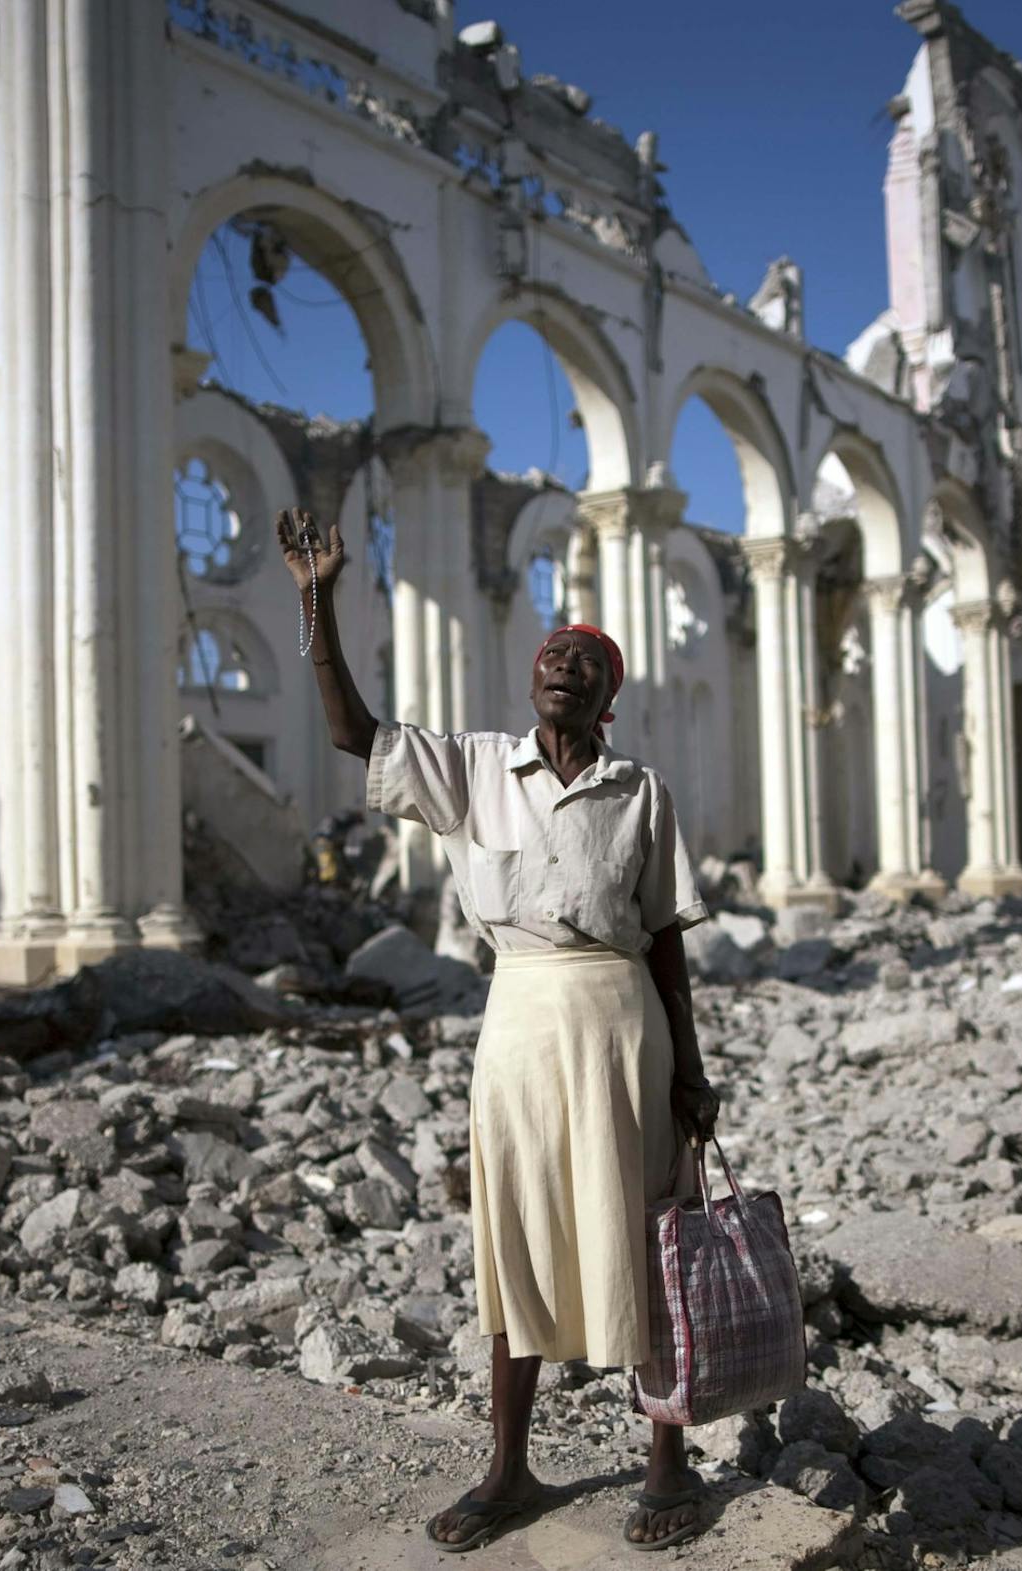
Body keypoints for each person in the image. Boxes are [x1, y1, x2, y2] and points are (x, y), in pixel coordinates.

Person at [275, 508, 723, 1553]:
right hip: (520, 1016)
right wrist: (317, 598)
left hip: (623, 1021)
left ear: (609, 695)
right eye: (550, 652)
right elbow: (354, 732)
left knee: (646, 1233)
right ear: (533, 682)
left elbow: (663, 939)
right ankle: (511, 1466)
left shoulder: (638, 791)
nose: (563, 662)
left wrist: (691, 1071)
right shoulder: (476, 767)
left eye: (585, 658)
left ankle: (669, 1460)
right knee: (514, 1235)